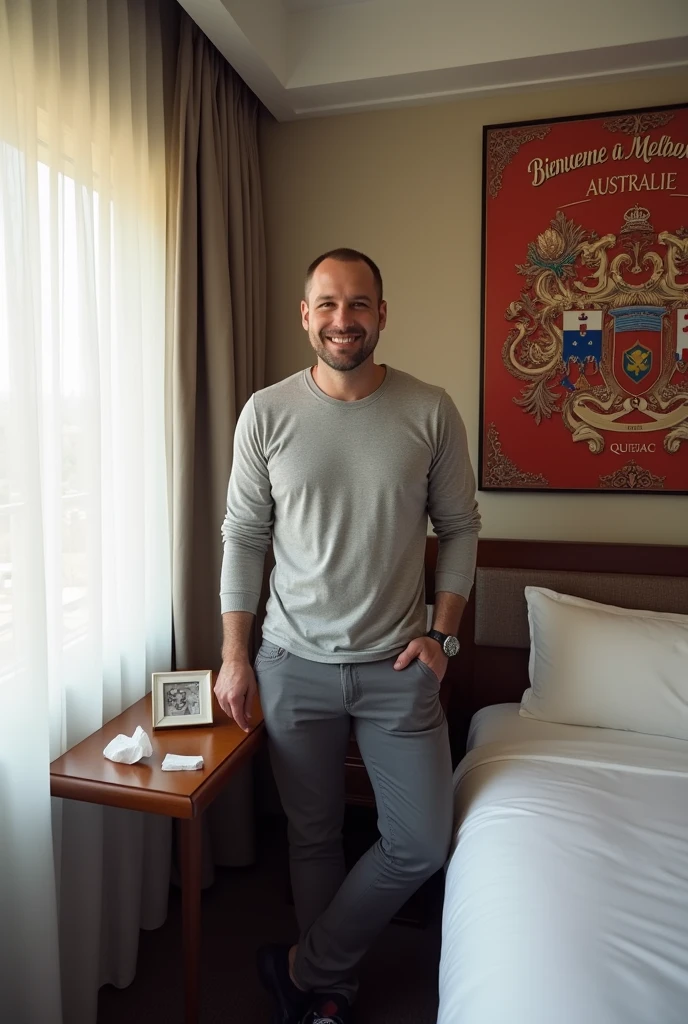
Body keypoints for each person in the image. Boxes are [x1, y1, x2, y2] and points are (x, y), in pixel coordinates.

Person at [215, 248, 480, 1024]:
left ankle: (303, 965)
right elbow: (242, 537)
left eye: (358, 304)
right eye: (327, 305)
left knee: (422, 843)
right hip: (291, 661)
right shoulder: (266, 412)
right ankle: (330, 991)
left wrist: (445, 635)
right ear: (305, 315)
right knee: (312, 834)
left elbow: (460, 530)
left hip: (400, 666)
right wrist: (236, 657)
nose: (342, 320)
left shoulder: (429, 409)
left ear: (382, 315)